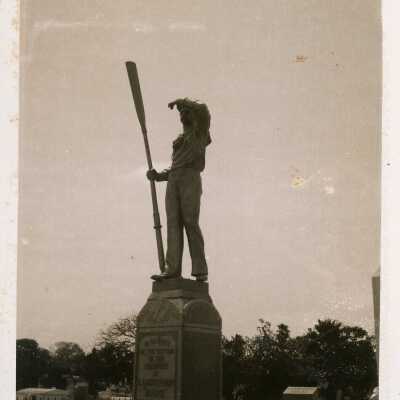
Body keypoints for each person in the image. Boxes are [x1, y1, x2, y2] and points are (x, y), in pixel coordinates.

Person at [146, 98, 211, 282]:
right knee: (173, 224)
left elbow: (204, 110)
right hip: (174, 179)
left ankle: (200, 270)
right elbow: (175, 166)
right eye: (181, 111)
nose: (183, 113)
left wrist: (180, 101)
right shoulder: (180, 139)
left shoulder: (200, 133)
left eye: (187, 111)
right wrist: (158, 175)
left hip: (190, 178)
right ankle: (172, 269)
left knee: (190, 221)